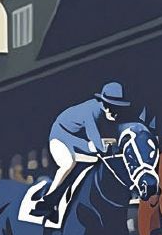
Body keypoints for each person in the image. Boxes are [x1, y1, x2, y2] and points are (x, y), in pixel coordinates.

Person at [33, 81, 137, 224]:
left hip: (79, 141)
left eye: (117, 107)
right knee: (68, 164)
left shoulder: (106, 114)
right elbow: (97, 142)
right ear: (102, 102)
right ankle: (48, 200)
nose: (113, 111)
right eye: (110, 106)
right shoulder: (91, 111)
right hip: (60, 137)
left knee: (94, 163)